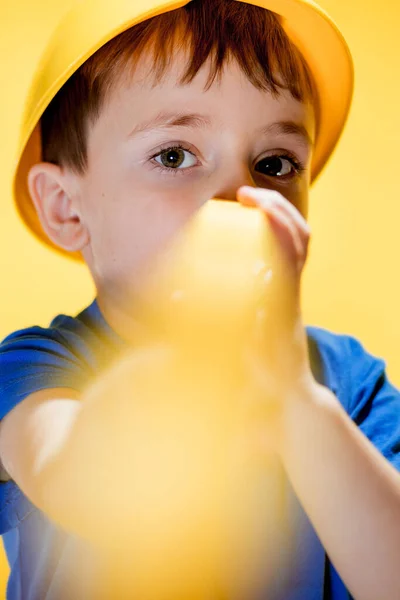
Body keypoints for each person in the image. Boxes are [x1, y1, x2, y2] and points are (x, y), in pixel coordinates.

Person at [0, 0, 399, 598]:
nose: (238, 196)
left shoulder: (345, 384)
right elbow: (79, 480)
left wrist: (296, 401)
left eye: (274, 163)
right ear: (66, 206)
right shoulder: (38, 369)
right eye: (173, 155)